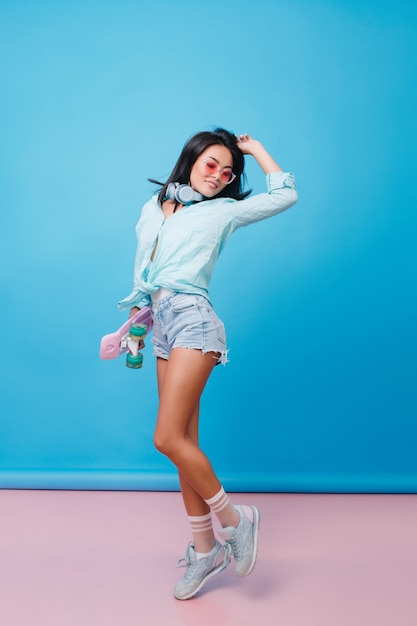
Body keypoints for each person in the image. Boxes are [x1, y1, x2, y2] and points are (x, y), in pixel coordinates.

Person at [118, 128, 298, 600]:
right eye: (211, 164)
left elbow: (286, 195)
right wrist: (136, 326)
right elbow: (147, 270)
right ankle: (205, 550)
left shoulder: (225, 211)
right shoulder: (154, 206)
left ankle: (237, 521)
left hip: (195, 321)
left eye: (228, 171)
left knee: (166, 438)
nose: (219, 175)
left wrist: (255, 151)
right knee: (184, 444)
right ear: (191, 160)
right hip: (160, 322)